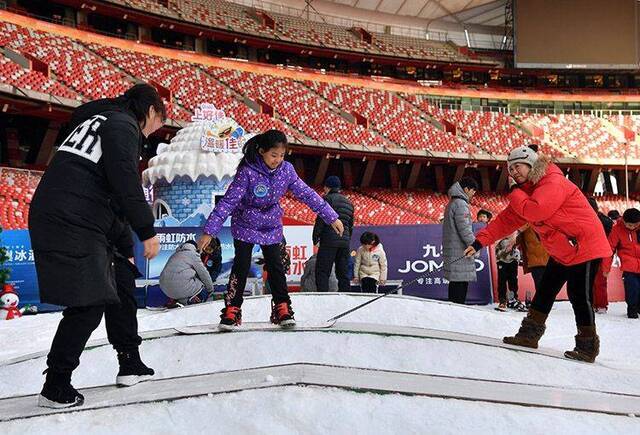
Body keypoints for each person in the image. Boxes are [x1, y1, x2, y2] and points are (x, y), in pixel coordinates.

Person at [29, 83, 165, 407]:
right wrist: (146, 230)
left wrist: (124, 246)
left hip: (78, 212)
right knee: (88, 303)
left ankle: (129, 360)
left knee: (122, 282)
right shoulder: (122, 124)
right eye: (157, 126)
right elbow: (123, 180)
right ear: (149, 112)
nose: (152, 135)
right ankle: (56, 385)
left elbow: (104, 187)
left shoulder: (97, 121)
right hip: (71, 218)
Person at [464, 145, 611, 363]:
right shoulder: (527, 193)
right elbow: (506, 221)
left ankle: (588, 346)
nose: (513, 172)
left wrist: (514, 192)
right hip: (563, 249)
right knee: (544, 291)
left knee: (579, 295)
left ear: (531, 163)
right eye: (510, 169)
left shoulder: (552, 181)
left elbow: (535, 210)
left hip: (585, 244)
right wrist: (478, 243)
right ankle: (528, 335)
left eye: (518, 166)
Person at [196, 130, 342, 330]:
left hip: (271, 225)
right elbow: (228, 202)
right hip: (245, 223)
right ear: (261, 151)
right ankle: (232, 309)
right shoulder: (247, 172)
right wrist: (209, 231)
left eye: (282, 156)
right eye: (274, 155)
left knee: (276, 265)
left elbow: (306, 193)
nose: (278, 160)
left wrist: (330, 216)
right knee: (241, 265)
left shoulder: (286, 171)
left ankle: (282, 307)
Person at [313, 176, 354, 292]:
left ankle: (323, 297)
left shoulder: (328, 199)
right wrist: (346, 239)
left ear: (327, 187)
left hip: (328, 241)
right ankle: (345, 296)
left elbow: (321, 220)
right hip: (344, 242)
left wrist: (315, 238)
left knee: (322, 271)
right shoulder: (349, 203)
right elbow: (350, 226)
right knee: (343, 272)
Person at [443, 176, 479, 304]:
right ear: (466, 189)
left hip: (455, 250)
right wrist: (475, 246)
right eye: (473, 191)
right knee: (459, 288)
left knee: (455, 284)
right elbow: (465, 230)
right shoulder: (460, 204)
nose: (473, 194)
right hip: (460, 252)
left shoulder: (453, 203)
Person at [602, 208, 640, 319]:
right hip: (629, 266)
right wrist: (606, 268)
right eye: (629, 225)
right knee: (632, 288)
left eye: (635, 225)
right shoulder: (617, 230)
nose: (632, 227)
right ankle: (632, 309)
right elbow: (609, 249)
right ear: (623, 221)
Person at [160, 241, 215, 306]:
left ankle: (178, 302)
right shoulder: (193, 255)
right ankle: (188, 302)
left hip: (165, 289)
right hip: (181, 288)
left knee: (184, 284)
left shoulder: (174, 255)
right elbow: (204, 274)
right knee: (202, 288)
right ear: (194, 247)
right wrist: (210, 290)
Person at [588, 197, 614, 314]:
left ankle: (602, 304)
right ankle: (592, 303)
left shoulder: (606, 222)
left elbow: (610, 242)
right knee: (590, 281)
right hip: (588, 254)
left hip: (602, 254)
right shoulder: (583, 219)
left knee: (600, 281)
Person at [516, 223, 549, 302]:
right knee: (541, 283)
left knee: (542, 283)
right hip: (537, 261)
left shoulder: (541, 224)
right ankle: (542, 302)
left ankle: (542, 302)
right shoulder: (524, 228)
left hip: (541, 260)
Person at [495, 233, 525, 312]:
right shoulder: (499, 230)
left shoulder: (515, 230)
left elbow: (518, 241)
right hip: (501, 260)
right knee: (502, 281)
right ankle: (502, 300)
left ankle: (512, 299)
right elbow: (496, 244)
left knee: (513, 281)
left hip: (513, 260)